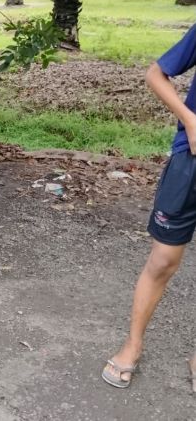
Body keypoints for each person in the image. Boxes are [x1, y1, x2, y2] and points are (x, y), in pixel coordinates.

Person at [102, 25, 196, 389]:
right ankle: (132, 345)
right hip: (189, 163)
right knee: (162, 261)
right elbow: (156, 74)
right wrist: (189, 120)